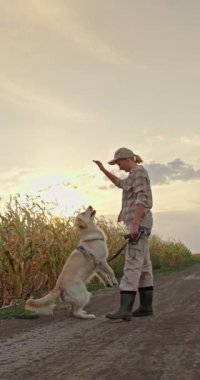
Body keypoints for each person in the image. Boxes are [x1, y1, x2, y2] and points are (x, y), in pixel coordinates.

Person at [93, 147, 154, 321]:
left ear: (127, 158)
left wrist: (135, 224)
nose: (118, 167)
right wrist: (103, 170)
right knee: (143, 266)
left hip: (138, 222)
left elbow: (142, 198)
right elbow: (120, 184)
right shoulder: (133, 175)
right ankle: (145, 307)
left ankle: (125, 309)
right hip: (139, 222)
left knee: (132, 263)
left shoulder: (139, 173)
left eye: (118, 163)